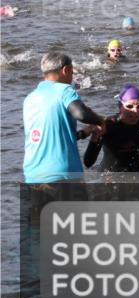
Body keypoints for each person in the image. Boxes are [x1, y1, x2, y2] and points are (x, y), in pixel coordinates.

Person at [23, 52, 108, 199]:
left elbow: (52, 136)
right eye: (72, 71)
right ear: (66, 70)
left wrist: (85, 132)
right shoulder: (64, 90)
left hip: (33, 177)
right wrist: (100, 121)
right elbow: (81, 114)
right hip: (63, 176)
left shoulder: (30, 99)